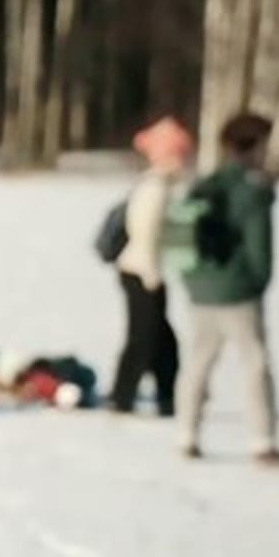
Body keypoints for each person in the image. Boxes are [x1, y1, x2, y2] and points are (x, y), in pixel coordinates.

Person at [173, 111, 279, 469]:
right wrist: (256, 282)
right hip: (238, 293)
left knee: (197, 364)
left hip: (200, 290)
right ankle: (263, 442)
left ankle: (186, 435)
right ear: (256, 145)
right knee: (255, 363)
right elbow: (260, 247)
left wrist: (194, 281)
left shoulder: (206, 184)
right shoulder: (252, 191)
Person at [107, 118, 188, 416]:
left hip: (141, 270)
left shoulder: (158, 184)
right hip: (141, 272)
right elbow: (145, 232)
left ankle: (166, 396)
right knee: (143, 339)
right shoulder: (156, 186)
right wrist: (152, 275)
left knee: (162, 340)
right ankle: (122, 397)